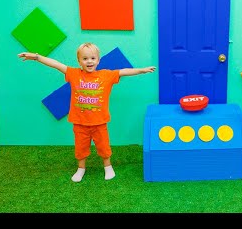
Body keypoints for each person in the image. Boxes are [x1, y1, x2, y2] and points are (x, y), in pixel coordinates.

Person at [18, 43, 156, 183]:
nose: (89, 61)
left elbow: (124, 71)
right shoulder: (73, 74)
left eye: (92, 58)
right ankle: (81, 168)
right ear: (79, 61)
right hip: (79, 123)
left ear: (98, 60)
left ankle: (108, 167)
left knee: (104, 147)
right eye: (85, 58)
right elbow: (56, 64)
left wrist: (142, 70)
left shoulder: (106, 75)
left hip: (100, 123)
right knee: (80, 148)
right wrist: (36, 57)